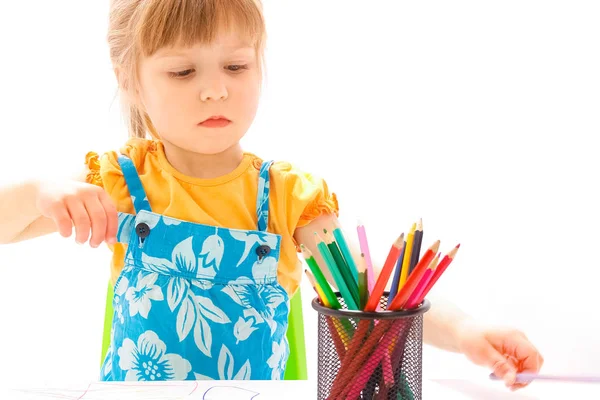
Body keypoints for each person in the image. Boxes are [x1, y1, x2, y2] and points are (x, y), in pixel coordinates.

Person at [0, 0, 542, 388]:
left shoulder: (286, 196)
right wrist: (36, 190)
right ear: (130, 79)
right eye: (183, 71)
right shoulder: (120, 181)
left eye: (236, 65)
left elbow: (373, 290)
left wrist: (468, 331)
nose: (215, 88)